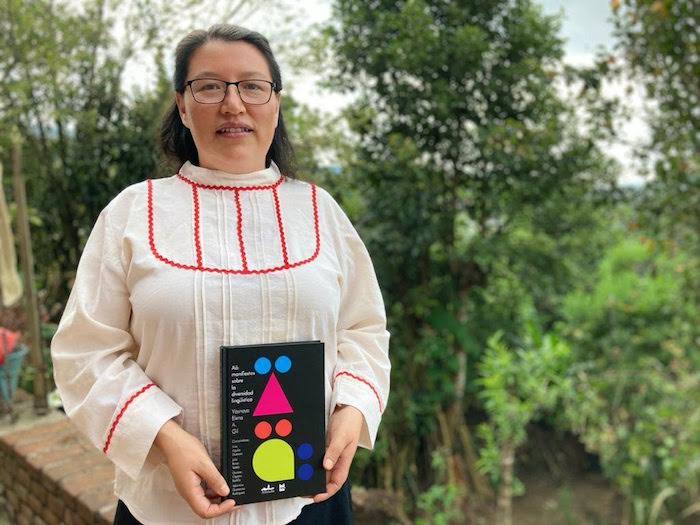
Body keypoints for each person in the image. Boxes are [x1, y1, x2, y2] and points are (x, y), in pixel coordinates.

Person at [50, 24, 391, 525]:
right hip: (168, 508)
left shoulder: (320, 212)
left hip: (309, 503)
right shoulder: (133, 213)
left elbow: (363, 330)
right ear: (183, 106)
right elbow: (85, 352)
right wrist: (165, 437)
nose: (233, 104)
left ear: (275, 103)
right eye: (209, 86)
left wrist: (352, 408)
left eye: (252, 86)